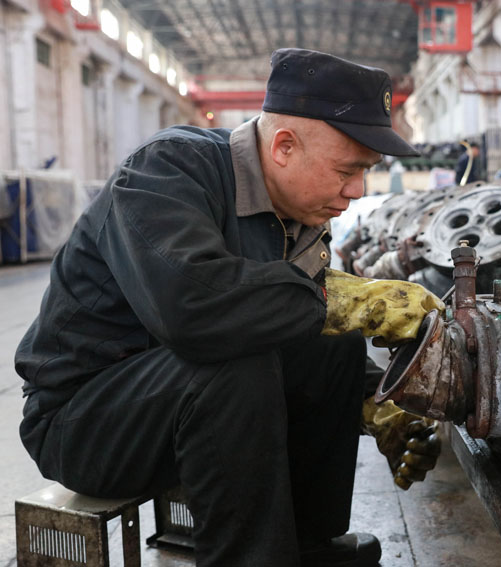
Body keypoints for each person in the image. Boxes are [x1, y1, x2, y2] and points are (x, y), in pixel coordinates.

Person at [15, 48, 444, 567]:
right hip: (83, 421)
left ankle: (308, 545)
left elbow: (295, 320)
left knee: (334, 344)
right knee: (236, 365)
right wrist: (353, 299)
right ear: (284, 146)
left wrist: (378, 407)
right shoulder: (166, 171)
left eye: (366, 173)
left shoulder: (296, 215)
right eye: (347, 171)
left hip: (177, 407)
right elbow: (194, 309)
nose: (356, 191)